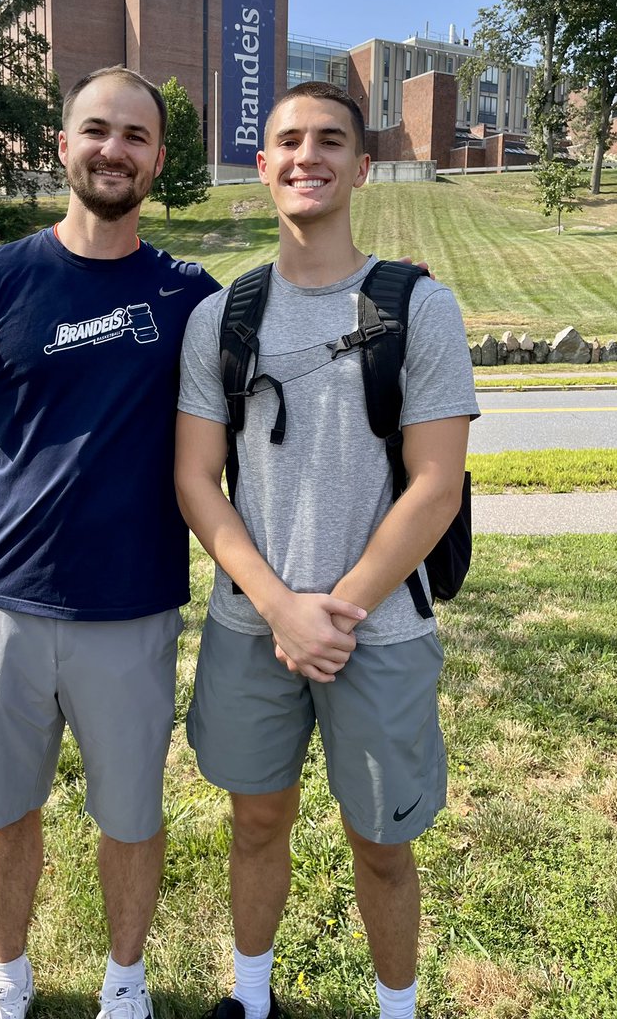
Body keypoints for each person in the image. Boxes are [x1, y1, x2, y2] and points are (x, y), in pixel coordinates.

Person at [175, 81, 478, 1019]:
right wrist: (279, 608)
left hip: (378, 632)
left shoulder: (419, 308)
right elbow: (196, 479)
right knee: (256, 820)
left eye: (331, 142)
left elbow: (436, 484)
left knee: (381, 844)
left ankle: (398, 1009)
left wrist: (332, 614)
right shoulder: (219, 319)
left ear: (363, 166)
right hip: (248, 626)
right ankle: (252, 999)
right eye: (290, 143)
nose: (309, 157)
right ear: (262, 167)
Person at [0, 65, 219, 1019]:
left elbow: (292, 332)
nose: (114, 149)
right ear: (64, 145)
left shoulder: (190, 296)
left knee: (131, 815)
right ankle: (6, 978)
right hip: (6, 605)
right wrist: (2, 541)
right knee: (6, 808)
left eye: (136, 136)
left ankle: (124, 984)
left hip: (132, 606)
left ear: (158, 161)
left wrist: (398, 290)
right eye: (97, 129)